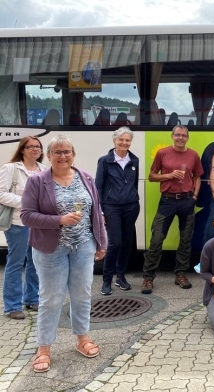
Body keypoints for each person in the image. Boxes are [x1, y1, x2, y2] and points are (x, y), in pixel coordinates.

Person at [21, 134, 107, 373]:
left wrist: (102, 243)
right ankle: (44, 348)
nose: (62, 156)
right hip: (51, 250)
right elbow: (26, 215)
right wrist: (60, 220)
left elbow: (97, 213)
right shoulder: (37, 181)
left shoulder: (86, 178)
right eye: (57, 152)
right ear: (48, 156)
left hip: (83, 247)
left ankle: (82, 338)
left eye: (66, 151)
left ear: (73, 154)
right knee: (51, 298)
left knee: (82, 295)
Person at [141, 125, 203, 294]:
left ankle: (181, 274)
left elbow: (198, 177)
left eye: (183, 135)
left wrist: (195, 196)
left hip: (186, 201)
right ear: (172, 136)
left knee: (185, 240)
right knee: (157, 239)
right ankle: (148, 278)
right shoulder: (163, 153)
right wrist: (169, 176)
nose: (180, 138)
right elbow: (152, 176)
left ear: (187, 137)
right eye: (177, 135)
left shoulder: (193, 155)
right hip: (167, 201)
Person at [0, 137, 47, 320]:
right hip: (17, 223)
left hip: (38, 223)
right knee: (15, 263)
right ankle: (12, 306)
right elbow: (1, 194)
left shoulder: (44, 170)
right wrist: (27, 203)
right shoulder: (11, 168)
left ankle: (32, 298)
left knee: (35, 262)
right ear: (22, 149)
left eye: (38, 147)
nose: (35, 149)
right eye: (31, 147)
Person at [95, 127, 140, 295]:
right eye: (121, 140)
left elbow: (134, 184)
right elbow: (98, 187)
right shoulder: (104, 161)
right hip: (111, 207)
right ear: (114, 141)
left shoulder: (134, 160)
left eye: (127, 140)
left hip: (131, 206)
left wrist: (134, 197)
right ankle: (106, 281)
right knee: (114, 243)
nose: (124, 143)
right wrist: (100, 211)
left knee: (127, 243)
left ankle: (120, 277)